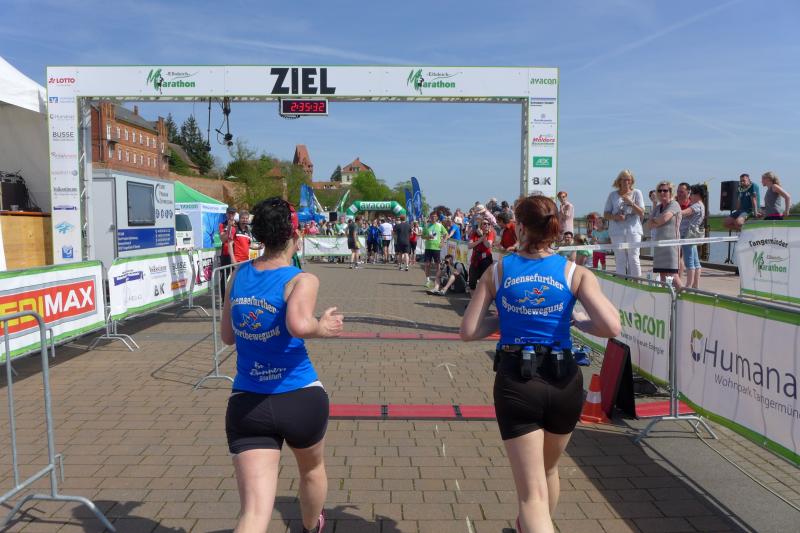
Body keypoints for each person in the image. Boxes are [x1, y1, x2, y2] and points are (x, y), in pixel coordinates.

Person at [459, 195, 620, 533]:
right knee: (548, 471)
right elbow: (611, 327)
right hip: (564, 381)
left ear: (519, 227)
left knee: (531, 497)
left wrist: (504, 320)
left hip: (518, 381)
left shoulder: (498, 271)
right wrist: (579, 321)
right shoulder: (574, 272)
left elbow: (469, 331)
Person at [221, 197, 344, 533]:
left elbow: (228, 336)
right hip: (299, 396)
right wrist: (323, 327)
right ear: (296, 236)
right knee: (311, 470)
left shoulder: (238, 275)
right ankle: (310, 527)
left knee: (253, 514)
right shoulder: (302, 279)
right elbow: (299, 324)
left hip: (248, 403)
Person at [603, 169, 645, 277]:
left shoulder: (637, 193)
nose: (627, 182)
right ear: (619, 181)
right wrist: (616, 217)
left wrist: (631, 203)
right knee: (620, 258)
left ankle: (636, 282)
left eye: (629, 180)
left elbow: (641, 212)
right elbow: (606, 214)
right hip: (617, 231)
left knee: (634, 257)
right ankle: (621, 281)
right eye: (624, 179)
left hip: (633, 230)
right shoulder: (612, 195)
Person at [646, 181, 683, 289]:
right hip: (659, 246)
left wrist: (655, 220)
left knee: (673, 276)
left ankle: (684, 296)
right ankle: (664, 297)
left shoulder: (674, 205)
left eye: (665, 190)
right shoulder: (658, 208)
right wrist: (656, 221)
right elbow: (648, 225)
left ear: (670, 192)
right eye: (660, 190)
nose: (662, 193)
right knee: (662, 275)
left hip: (671, 246)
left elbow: (664, 218)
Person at [680, 185, 706, 289]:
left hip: (687, 235)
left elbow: (683, 213)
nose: (690, 196)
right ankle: (695, 285)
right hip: (693, 235)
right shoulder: (701, 205)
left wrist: (673, 210)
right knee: (696, 262)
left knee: (689, 262)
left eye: (691, 194)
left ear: (697, 195)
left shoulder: (696, 206)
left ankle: (688, 285)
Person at [467, 217, 495, 291]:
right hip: (475, 258)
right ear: (480, 225)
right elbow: (469, 246)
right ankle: (473, 296)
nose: (487, 225)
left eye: (488, 224)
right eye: (485, 223)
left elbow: (488, 245)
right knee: (472, 282)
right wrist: (480, 239)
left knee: (485, 280)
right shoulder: (474, 233)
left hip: (486, 258)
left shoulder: (490, 233)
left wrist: (482, 236)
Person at [218, 206, 238, 297]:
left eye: (232, 213)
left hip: (236, 254)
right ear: (226, 214)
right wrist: (229, 227)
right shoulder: (222, 225)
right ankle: (223, 299)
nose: (231, 215)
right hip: (226, 254)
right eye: (229, 213)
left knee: (236, 277)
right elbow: (223, 239)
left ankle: (235, 297)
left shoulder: (238, 225)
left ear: (235, 214)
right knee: (224, 277)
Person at [423, 212, 446, 286]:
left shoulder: (440, 225)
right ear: (430, 217)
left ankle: (437, 280)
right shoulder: (427, 225)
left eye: (435, 216)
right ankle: (428, 281)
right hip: (428, 247)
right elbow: (422, 236)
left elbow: (446, 234)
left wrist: (442, 242)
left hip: (436, 248)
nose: (433, 218)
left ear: (437, 217)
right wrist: (427, 237)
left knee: (437, 265)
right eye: (432, 216)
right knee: (427, 264)